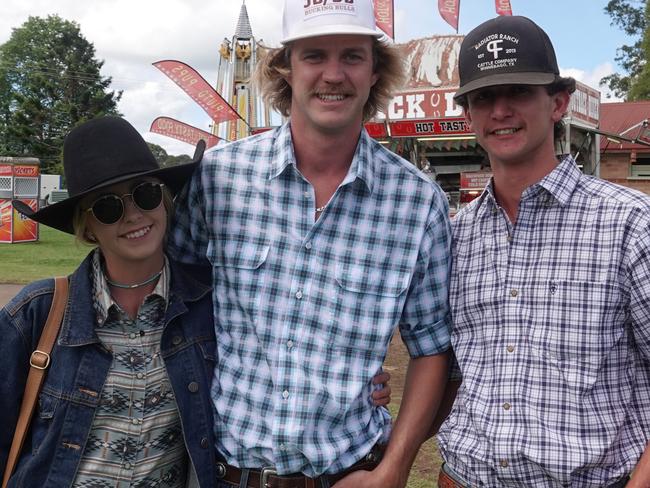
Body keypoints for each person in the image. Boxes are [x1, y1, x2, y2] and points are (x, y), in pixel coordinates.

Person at [168, 0, 453, 486]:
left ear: (374, 69)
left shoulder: (417, 202)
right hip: (227, 472)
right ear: (286, 67)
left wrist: (395, 467)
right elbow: (174, 300)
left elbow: (431, 349)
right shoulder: (219, 179)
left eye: (353, 56)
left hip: (349, 472)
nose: (334, 74)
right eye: (315, 55)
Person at [435, 15, 650, 487]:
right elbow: (445, 367)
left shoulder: (630, 223)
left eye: (518, 91)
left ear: (557, 102)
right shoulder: (454, 236)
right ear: (468, 114)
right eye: (484, 97)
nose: (500, 110)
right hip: (465, 477)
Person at [0, 116, 217, 487]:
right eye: (107, 206)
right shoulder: (36, 313)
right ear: (87, 227)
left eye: (145, 193)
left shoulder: (206, 307)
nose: (133, 214)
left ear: (164, 200)